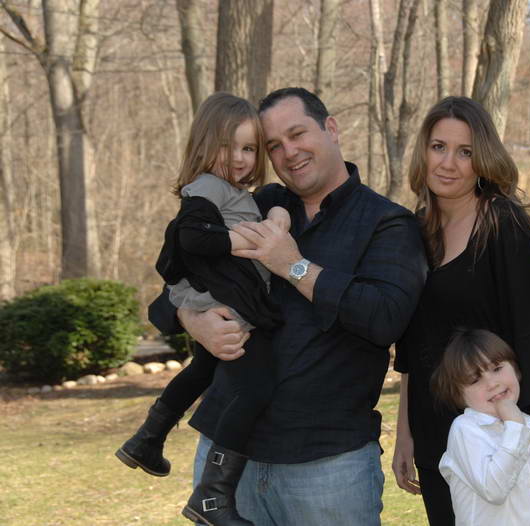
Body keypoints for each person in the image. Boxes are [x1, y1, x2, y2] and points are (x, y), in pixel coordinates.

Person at [148, 87, 426, 526]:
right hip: (226, 469)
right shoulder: (249, 208)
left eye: (297, 134)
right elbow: (168, 294)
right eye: (274, 145)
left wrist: (293, 266)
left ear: (331, 128)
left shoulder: (387, 223)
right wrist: (192, 319)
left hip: (327, 468)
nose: (289, 152)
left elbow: (385, 318)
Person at [392, 96, 530, 526]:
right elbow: (413, 347)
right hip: (434, 431)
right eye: (439, 147)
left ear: (483, 159)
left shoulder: (501, 221)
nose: (448, 163)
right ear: (423, 151)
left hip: (497, 431)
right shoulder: (416, 230)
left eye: (465, 152)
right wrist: (404, 433)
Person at [116, 92, 293, 526]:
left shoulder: (232, 191)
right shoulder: (208, 189)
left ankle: (147, 439)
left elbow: (272, 202)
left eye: (248, 148)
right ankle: (212, 496)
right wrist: (238, 241)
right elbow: (190, 237)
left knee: (201, 371)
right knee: (256, 388)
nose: (239, 158)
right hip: (223, 307)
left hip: (222, 301)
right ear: (203, 144)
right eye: (227, 146)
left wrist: (277, 215)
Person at [432, 328, 530, 525]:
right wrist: (514, 427)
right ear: (459, 395)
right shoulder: (465, 430)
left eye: (497, 369)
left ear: (516, 370)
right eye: (475, 380)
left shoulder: (528, 425)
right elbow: (494, 489)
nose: (492, 383)